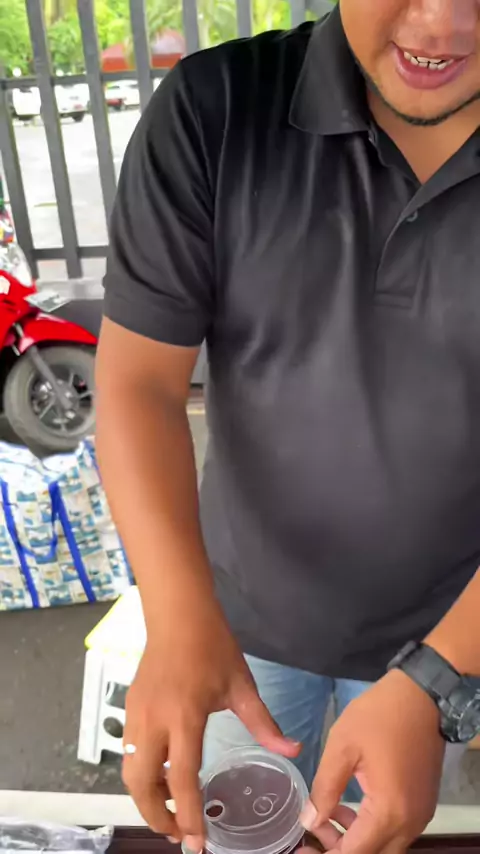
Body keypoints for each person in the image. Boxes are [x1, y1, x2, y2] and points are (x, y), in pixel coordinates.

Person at [96, 0, 480, 852]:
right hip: (236, 624)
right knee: (241, 836)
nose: (443, 24)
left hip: (454, 631)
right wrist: (177, 615)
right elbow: (139, 383)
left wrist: (441, 677)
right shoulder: (216, 110)